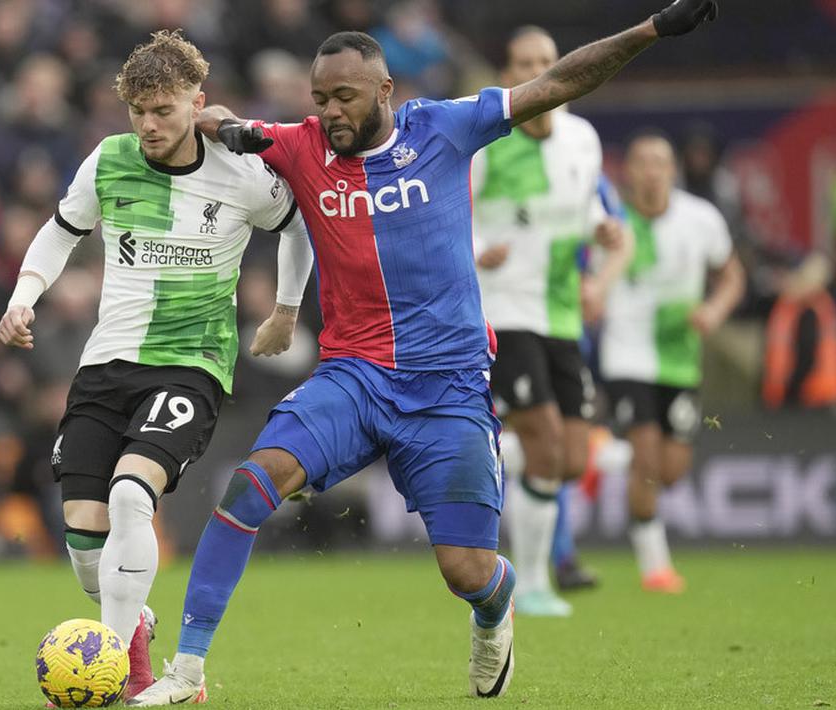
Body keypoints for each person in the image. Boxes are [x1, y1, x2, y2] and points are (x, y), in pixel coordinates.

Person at [131, 2, 720, 704]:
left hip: (448, 389)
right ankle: (187, 674)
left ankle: (496, 604)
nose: (330, 113)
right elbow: (230, 124)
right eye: (319, 99)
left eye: (344, 97)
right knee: (248, 487)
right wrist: (197, 119)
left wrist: (653, 28)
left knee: (467, 571)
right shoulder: (300, 144)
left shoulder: (444, 127)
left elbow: (560, 82)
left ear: (385, 91)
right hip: (352, 377)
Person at [0, 30, 314, 701]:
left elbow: (294, 226)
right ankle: (130, 621)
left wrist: (285, 311)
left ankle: (108, 672)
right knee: (85, 542)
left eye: (163, 110)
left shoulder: (239, 174)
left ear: (198, 103)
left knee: (130, 495)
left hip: (190, 366)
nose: (149, 124)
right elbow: (60, 230)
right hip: (106, 363)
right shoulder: (108, 161)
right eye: (138, 110)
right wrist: (23, 297)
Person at [472, 26, 633, 616]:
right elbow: (452, 213)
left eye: (546, 60)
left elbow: (584, 204)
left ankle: (493, 451)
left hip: (563, 315)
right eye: (524, 62)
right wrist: (476, 246)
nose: (537, 70)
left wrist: (602, 230)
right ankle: (533, 583)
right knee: (544, 444)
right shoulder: (487, 139)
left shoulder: (582, 139)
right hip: (505, 311)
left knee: (570, 458)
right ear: (508, 72)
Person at [600, 130, 744, 594]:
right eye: (641, 162)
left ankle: (598, 456)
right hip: (626, 356)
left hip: (680, 361)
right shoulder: (610, 222)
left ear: (672, 171)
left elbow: (731, 275)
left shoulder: (701, 219)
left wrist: (715, 310)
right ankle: (655, 567)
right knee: (645, 457)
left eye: (659, 162)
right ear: (629, 172)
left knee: (671, 469)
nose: (651, 171)